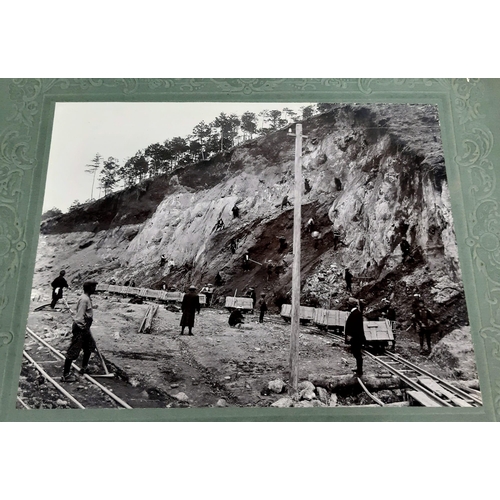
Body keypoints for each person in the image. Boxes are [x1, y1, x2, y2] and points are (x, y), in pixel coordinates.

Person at [61, 280, 98, 382]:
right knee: (74, 350)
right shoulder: (84, 300)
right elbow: (79, 317)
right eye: (94, 287)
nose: (95, 289)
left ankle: (84, 367)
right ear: (89, 288)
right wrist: (83, 327)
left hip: (85, 328)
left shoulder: (87, 298)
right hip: (80, 328)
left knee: (90, 346)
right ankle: (66, 375)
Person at [344, 297, 366, 377]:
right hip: (356, 338)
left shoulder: (356, 314)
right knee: (356, 354)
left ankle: (359, 372)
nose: (347, 306)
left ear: (350, 305)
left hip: (356, 338)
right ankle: (358, 369)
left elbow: (355, 327)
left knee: (357, 354)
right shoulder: (356, 313)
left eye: (348, 305)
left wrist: (350, 336)